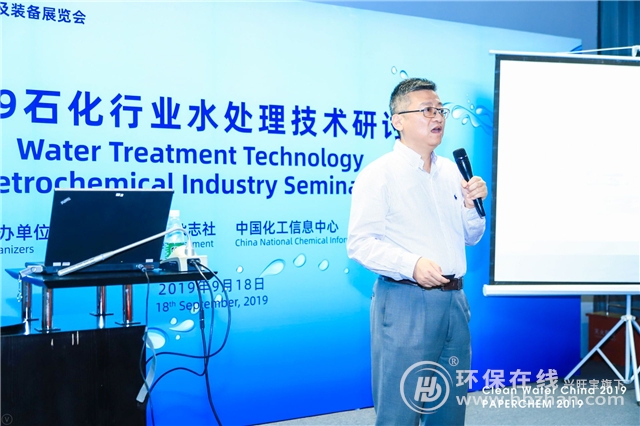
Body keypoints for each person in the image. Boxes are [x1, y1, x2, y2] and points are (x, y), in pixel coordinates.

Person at [346, 78, 487, 425]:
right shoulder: (379, 175)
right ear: (398, 120)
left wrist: (472, 206)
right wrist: (412, 265)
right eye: (426, 110)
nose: (437, 117)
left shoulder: (451, 171)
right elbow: (360, 243)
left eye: (441, 110)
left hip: (455, 302)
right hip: (406, 301)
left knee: (450, 409)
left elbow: (471, 237)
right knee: (400, 411)